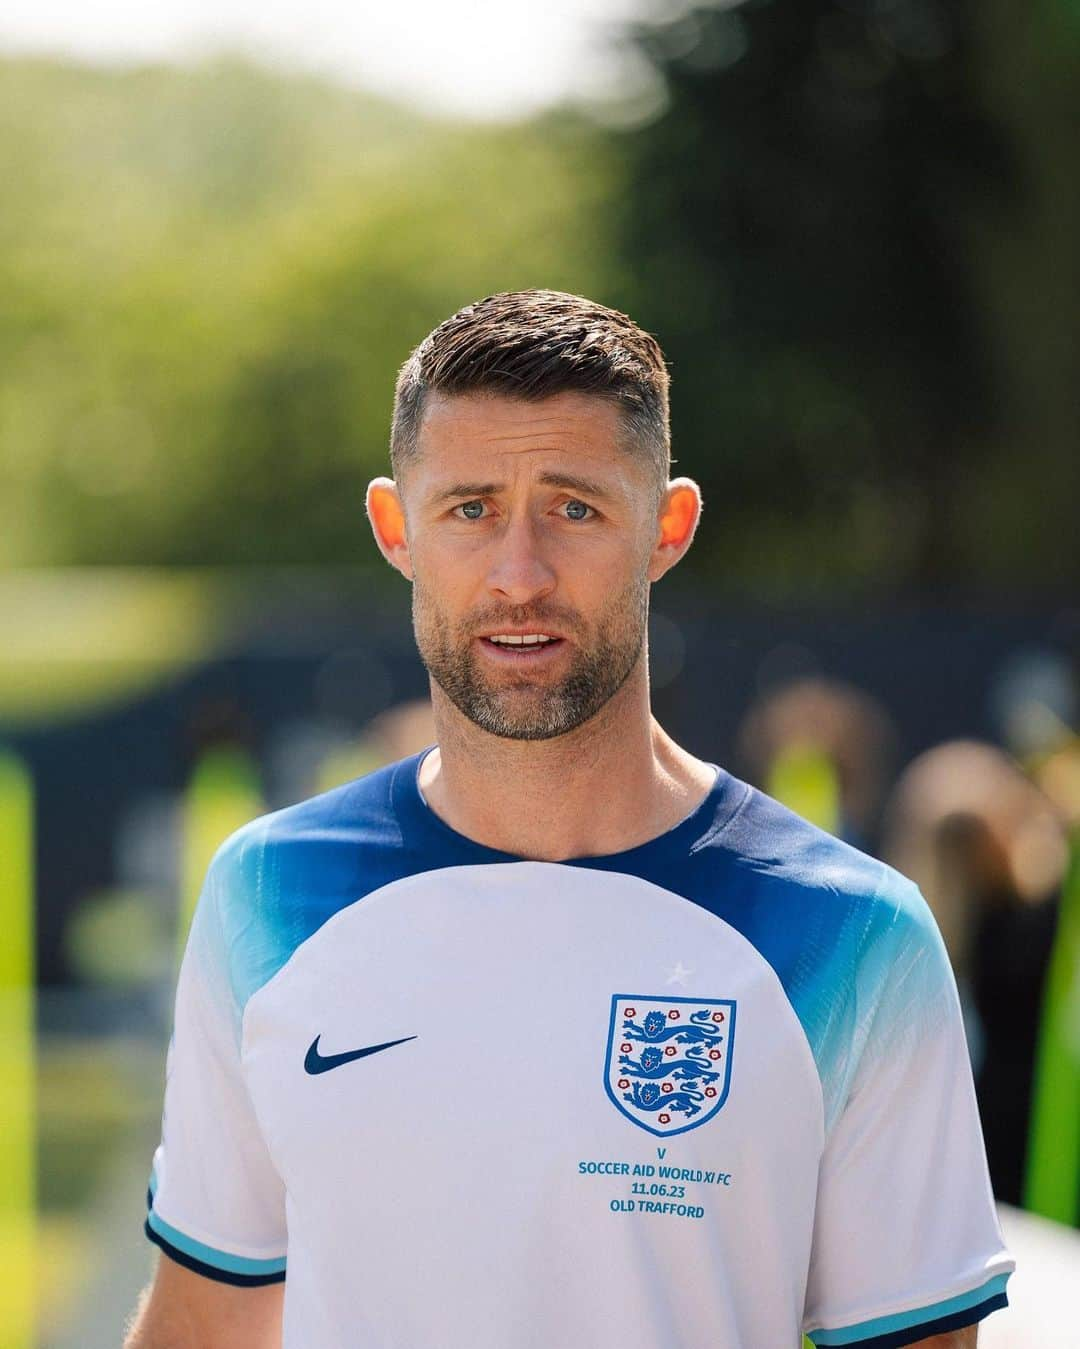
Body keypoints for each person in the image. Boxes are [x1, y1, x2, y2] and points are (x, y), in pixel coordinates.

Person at [125, 290, 1013, 1348]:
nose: (520, 573)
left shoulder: (856, 932)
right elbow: (206, 1325)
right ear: (395, 527)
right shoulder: (268, 891)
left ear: (667, 528)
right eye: (469, 509)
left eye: (575, 507)